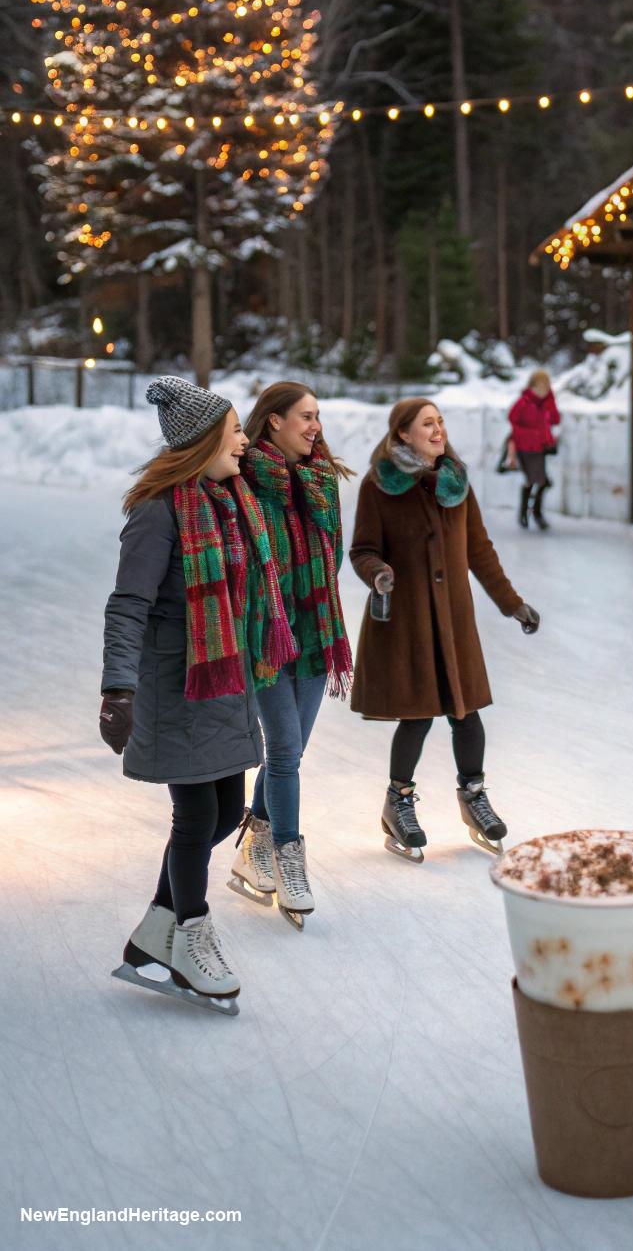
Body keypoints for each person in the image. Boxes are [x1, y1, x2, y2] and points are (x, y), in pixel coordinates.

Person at [100, 376, 296, 1010]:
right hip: (177, 686)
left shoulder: (226, 500)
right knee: (195, 821)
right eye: (237, 430)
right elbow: (127, 605)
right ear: (205, 441)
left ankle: (154, 930)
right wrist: (117, 690)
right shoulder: (158, 512)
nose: (244, 440)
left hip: (224, 681)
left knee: (225, 813)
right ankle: (191, 937)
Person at [349, 398, 540, 862]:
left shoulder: (455, 483)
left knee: (465, 710)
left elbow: (479, 549)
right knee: (417, 715)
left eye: (440, 422)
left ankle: (473, 795)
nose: (438, 430)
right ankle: (398, 801)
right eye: (427, 424)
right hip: (409, 620)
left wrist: (512, 604)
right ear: (403, 435)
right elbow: (362, 549)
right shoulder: (381, 485)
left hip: (454, 621)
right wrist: (378, 573)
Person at [230, 381, 354, 926]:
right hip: (264, 636)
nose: (315, 426)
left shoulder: (322, 483)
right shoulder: (243, 483)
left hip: (315, 631)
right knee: (283, 751)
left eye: (318, 416)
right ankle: (288, 857)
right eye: (305, 416)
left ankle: (252, 845)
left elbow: (337, 558)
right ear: (273, 421)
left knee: (292, 750)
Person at [508, 370, 560, 531]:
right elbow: (512, 419)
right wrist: (530, 435)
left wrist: (551, 403)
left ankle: (530, 512)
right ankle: (531, 513)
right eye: (540, 386)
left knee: (539, 481)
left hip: (540, 448)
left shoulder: (547, 403)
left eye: (546, 387)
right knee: (537, 480)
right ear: (532, 386)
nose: (543, 390)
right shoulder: (524, 402)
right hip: (526, 447)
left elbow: (556, 420)